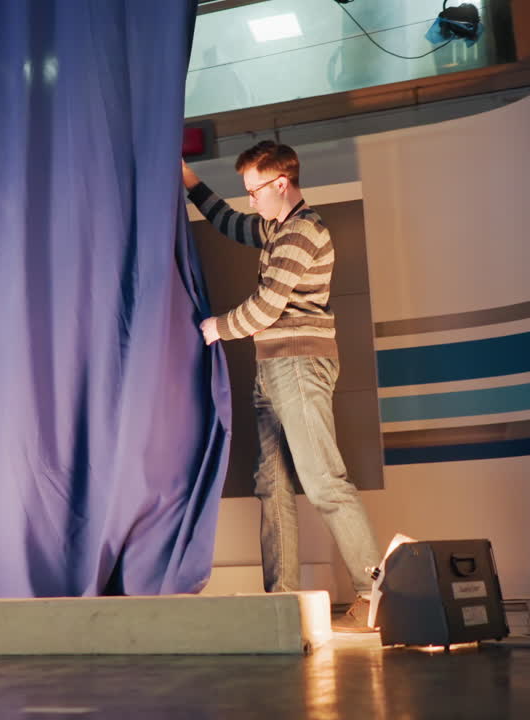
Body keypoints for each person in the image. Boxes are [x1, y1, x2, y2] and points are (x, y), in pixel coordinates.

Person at [182, 142, 380, 632]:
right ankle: (283, 602)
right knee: (272, 486)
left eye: (255, 191)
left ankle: (377, 594)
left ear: (281, 184)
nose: (251, 201)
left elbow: (267, 306)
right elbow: (228, 222)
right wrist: (188, 180)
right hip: (271, 367)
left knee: (324, 483)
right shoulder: (274, 226)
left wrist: (216, 328)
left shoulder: (303, 231)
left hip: (298, 365)